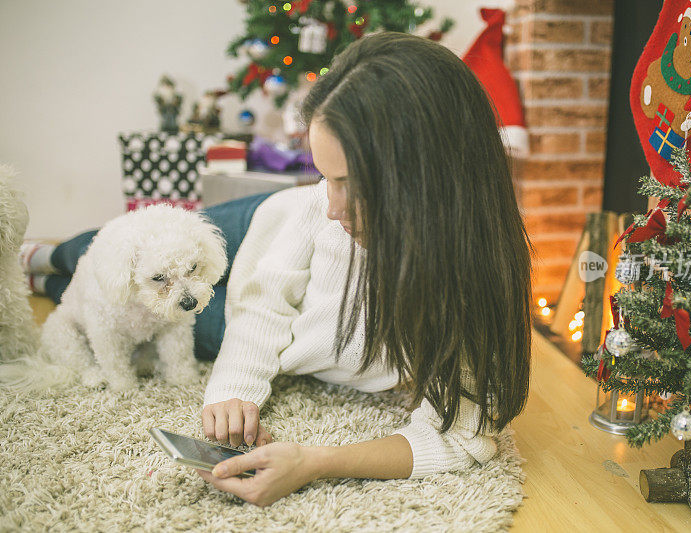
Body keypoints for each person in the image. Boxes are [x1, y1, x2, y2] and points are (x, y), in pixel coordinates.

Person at [25, 31, 533, 507]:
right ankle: (38, 259)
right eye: (322, 177)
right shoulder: (321, 210)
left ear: (422, 178)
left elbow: (462, 438)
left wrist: (316, 462)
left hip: (249, 318)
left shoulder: (475, 283)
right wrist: (233, 389)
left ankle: (48, 282)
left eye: (346, 182)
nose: (331, 206)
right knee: (113, 248)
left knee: (130, 299)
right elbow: (266, 298)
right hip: (263, 227)